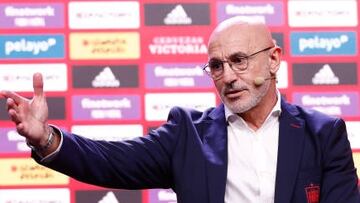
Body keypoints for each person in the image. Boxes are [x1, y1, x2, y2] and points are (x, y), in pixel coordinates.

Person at [1, 17, 359, 203]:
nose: (228, 77)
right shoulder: (187, 133)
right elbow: (111, 161)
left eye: (239, 61)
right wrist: (46, 138)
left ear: (273, 60)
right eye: (216, 66)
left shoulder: (323, 134)